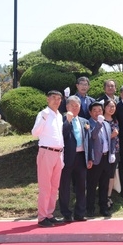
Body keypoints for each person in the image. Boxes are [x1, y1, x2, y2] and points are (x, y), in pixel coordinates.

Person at [31, 90, 65, 228]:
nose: (56, 101)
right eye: (53, 98)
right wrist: (44, 118)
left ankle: (49, 214)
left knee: (54, 187)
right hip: (46, 152)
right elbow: (35, 133)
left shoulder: (59, 116)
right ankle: (42, 216)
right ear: (47, 99)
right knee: (45, 186)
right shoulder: (43, 114)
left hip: (59, 153)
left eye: (59, 99)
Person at [58, 95, 91, 222]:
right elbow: (62, 134)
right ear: (67, 107)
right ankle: (66, 213)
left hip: (82, 156)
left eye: (77, 106)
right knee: (65, 186)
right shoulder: (61, 120)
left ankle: (80, 213)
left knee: (82, 186)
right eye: (72, 105)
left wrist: (90, 158)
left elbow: (89, 142)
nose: (75, 108)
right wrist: (68, 121)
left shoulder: (85, 121)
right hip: (67, 157)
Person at [86, 101, 117, 218]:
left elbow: (111, 140)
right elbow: (92, 136)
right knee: (92, 185)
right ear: (90, 112)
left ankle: (103, 207)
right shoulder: (88, 123)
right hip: (95, 160)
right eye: (95, 110)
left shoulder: (107, 124)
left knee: (104, 184)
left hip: (106, 158)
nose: (98, 112)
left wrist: (112, 152)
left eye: (99, 110)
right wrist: (98, 124)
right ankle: (90, 208)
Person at [103, 99, 120, 209]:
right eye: (109, 106)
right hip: (104, 152)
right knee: (103, 174)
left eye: (113, 106)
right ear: (104, 107)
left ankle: (108, 196)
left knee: (111, 174)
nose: (111, 108)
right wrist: (111, 136)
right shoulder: (101, 120)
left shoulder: (115, 120)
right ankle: (102, 196)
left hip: (115, 151)